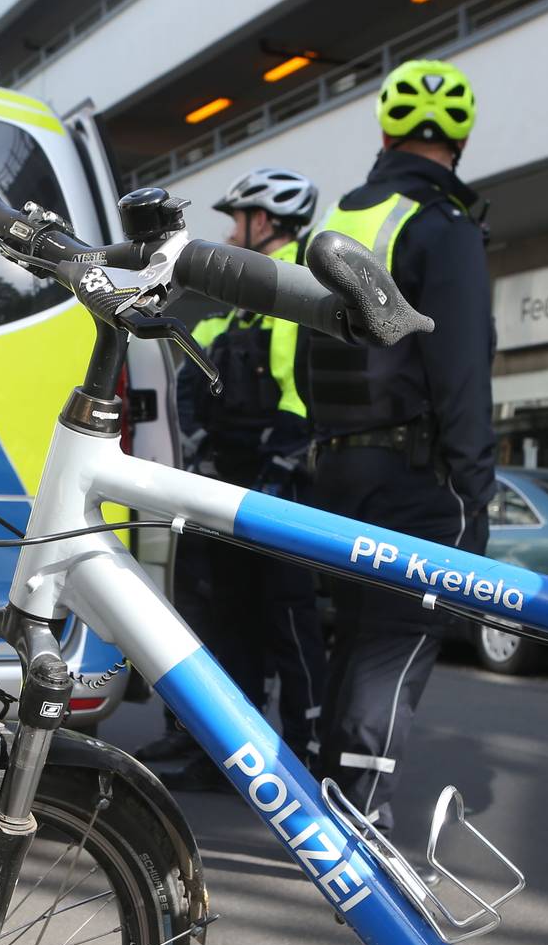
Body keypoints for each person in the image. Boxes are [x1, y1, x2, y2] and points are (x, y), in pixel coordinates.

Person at [304, 58, 496, 830]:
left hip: (333, 467)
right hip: (414, 477)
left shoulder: (343, 220)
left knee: (348, 642)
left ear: (385, 130)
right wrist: (475, 493)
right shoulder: (445, 230)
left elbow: (299, 354)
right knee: (399, 641)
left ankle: (323, 805)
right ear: (461, 138)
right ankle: (362, 817)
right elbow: (461, 372)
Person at [136, 168, 328, 787]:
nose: (229, 230)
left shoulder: (300, 283)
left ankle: (307, 751)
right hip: (224, 485)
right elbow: (195, 368)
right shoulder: (243, 294)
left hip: (277, 484)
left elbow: (303, 391)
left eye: (238, 217)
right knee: (221, 616)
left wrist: (283, 460)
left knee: (287, 619)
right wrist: (194, 440)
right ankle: (220, 749)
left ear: (265, 221)